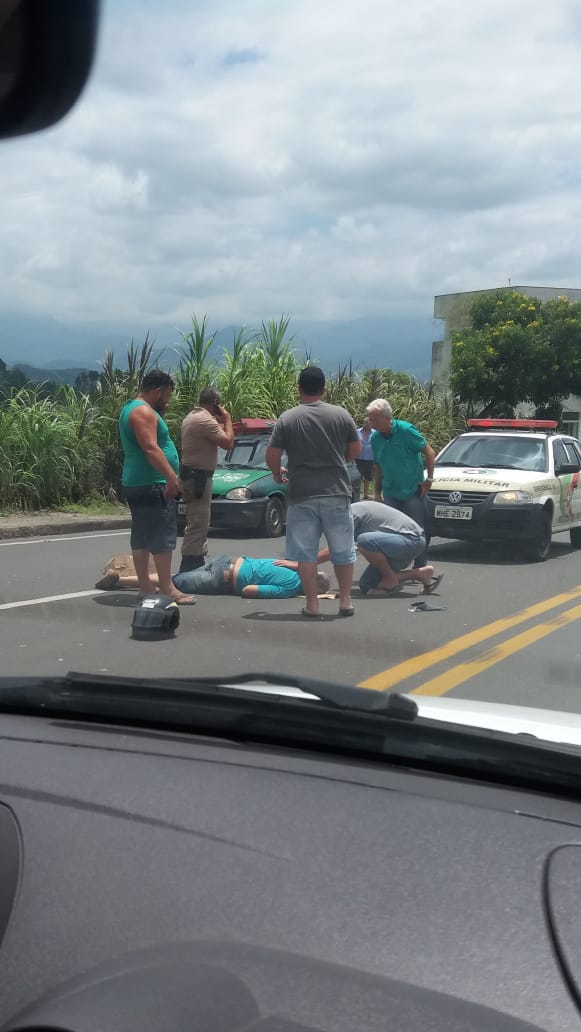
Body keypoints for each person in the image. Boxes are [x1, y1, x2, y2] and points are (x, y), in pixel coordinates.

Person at [266, 366, 361, 618]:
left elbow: (272, 455)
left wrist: (277, 473)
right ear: (324, 389)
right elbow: (355, 448)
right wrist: (340, 461)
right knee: (343, 550)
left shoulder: (288, 418)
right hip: (336, 491)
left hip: (302, 494)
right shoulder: (341, 415)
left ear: (299, 389)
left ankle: (312, 605)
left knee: (305, 554)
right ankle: (345, 602)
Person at [118, 369, 195, 605]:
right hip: (152, 482)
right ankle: (167, 588)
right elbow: (150, 448)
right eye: (168, 395)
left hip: (139, 481)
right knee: (162, 536)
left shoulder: (132, 408)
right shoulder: (142, 411)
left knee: (142, 535)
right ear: (158, 391)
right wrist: (171, 477)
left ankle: (145, 586)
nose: (168, 401)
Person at [317, 500, 443, 595]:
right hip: (399, 544)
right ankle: (419, 574)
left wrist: (310, 563)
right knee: (367, 585)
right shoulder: (346, 513)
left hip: (411, 540)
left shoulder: (351, 515)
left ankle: (389, 576)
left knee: (364, 540)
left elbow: (338, 548)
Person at [365, 398, 436, 568]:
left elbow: (430, 452)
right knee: (391, 532)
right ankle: (393, 569)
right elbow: (378, 466)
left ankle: (421, 568)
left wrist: (429, 480)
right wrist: (377, 492)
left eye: (375, 419)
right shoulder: (375, 438)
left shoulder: (406, 430)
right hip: (391, 491)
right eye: (370, 419)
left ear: (386, 417)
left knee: (416, 530)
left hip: (412, 490)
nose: (371, 423)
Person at [179, 386, 235, 574]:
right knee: (198, 523)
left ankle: (195, 561)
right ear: (216, 403)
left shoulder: (192, 417)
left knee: (197, 522)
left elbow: (216, 435)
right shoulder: (204, 420)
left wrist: (220, 422)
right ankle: (190, 567)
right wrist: (227, 419)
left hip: (191, 476)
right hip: (198, 478)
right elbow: (228, 443)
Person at [101, 555, 331, 600]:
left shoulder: (290, 566)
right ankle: (121, 580)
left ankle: (125, 579)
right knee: (171, 583)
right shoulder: (290, 586)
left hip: (227, 561)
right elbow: (248, 590)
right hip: (223, 579)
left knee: (173, 577)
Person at [356, 416, 374, 499]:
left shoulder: (375, 433)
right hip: (358, 458)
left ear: (372, 424)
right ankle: (356, 494)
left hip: (370, 458)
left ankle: (366, 494)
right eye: (366, 422)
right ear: (363, 423)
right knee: (357, 477)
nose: (367, 424)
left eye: (369, 423)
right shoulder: (357, 432)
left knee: (367, 477)